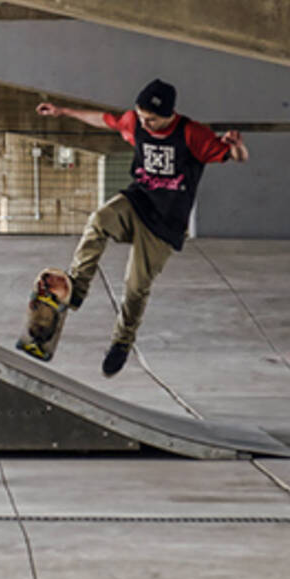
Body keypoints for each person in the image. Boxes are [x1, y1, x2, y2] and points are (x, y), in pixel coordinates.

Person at [35, 79, 248, 376]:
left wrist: (238, 147)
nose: (145, 124)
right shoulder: (134, 121)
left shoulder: (192, 134)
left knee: (136, 288)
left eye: (153, 120)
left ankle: (122, 342)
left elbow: (236, 157)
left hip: (165, 223)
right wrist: (63, 111)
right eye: (141, 116)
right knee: (98, 222)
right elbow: (103, 119)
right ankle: (78, 288)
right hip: (137, 202)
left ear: (169, 115)